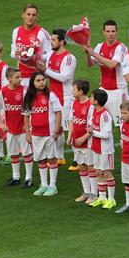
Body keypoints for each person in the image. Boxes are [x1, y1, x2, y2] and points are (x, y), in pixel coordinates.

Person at [38, 28, 76, 166]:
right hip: (53, 98)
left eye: (53, 40)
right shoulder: (50, 55)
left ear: (61, 42)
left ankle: (78, 160)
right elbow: (38, 60)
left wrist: (46, 71)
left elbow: (65, 77)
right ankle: (60, 157)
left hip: (66, 98)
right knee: (57, 129)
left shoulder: (69, 58)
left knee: (70, 129)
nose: (51, 42)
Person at [22, 71, 62, 196]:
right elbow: (26, 116)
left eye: (43, 80)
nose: (41, 82)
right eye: (38, 80)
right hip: (36, 134)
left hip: (49, 133)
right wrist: (28, 134)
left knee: (52, 158)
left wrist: (56, 131)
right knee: (40, 159)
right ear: (33, 83)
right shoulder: (29, 97)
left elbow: (58, 113)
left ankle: (53, 185)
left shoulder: (51, 96)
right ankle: (44, 185)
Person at [0, 67, 33, 188]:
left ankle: (29, 179)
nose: (20, 79)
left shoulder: (24, 91)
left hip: (23, 129)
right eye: (17, 77)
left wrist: (29, 124)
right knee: (13, 153)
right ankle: (16, 177)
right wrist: (1, 124)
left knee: (26, 153)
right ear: (9, 79)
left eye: (20, 77)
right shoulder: (3, 91)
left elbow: (31, 109)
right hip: (10, 129)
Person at [83, 20, 128, 127]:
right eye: (108, 31)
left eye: (113, 31)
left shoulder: (121, 47)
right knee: (98, 121)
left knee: (121, 125)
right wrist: (88, 55)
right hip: (104, 90)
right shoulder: (100, 46)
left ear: (117, 32)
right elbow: (90, 64)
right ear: (104, 32)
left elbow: (112, 64)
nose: (110, 34)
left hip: (118, 91)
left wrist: (93, 53)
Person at [87, 89, 116, 208]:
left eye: (92, 97)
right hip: (96, 147)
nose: (90, 98)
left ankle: (111, 199)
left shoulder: (105, 115)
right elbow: (91, 124)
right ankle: (102, 198)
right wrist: (90, 128)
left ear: (96, 101)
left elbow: (107, 134)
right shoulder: (93, 110)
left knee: (107, 172)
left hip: (105, 149)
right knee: (98, 171)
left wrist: (93, 132)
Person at [10, 4, 51, 88]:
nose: (30, 17)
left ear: (37, 17)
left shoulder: (42, 33)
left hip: (36, 77)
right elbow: (13, 52)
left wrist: (41, 60)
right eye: (28, 14)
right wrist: (18, 55)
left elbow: (52, 52)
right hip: (20, 76)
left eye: (33, 15)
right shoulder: (16, 31)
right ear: (23, 15)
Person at [67, 79, 94, 203]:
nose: (72, 91)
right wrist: (70, 137)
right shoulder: (74, 103)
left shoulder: (90, 106)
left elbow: (93, 126)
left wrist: (84, 138)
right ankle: (86, 192)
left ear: (81, 91)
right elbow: (72, 121)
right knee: (82, 166)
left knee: (90, 167)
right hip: (76, 142)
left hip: (87, 143)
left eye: (74, 89)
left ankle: (94, 193)